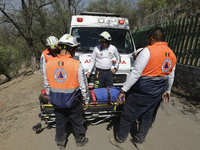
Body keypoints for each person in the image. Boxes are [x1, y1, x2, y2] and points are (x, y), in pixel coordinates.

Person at [109, 27, 177, 150]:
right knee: (147, 116)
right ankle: (139, 141)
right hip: (157, 92)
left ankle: (120, 140)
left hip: (142, 91)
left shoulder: (148, 51)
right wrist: (168, 90)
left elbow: (135, 73)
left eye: (147, 39)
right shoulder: (171, 53)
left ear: (151, 39)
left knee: (128, 114)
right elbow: (171, 75)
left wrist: (123, 90)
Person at [46, 34, 90, 150]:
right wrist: (86, 100)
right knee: (77, 121)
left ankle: (61, 142)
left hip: (56, 101)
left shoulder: (49, 63)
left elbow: (47, 83)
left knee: (60, 122)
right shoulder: (77, 64)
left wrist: (50, 97)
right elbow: (83, 86)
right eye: (75, 49)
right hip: (73, 102)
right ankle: (80, 141)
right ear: (71, 49)